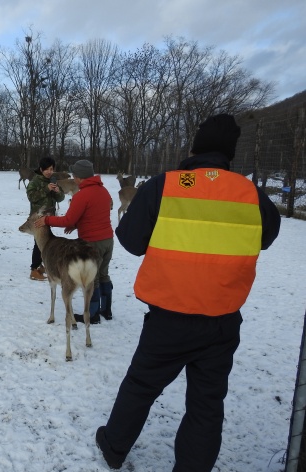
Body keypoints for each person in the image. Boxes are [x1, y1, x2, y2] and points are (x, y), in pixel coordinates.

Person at [95, 114, 281, 471]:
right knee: (207, 405)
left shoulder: (165, 185)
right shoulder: (251, 194)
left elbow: (131, 242)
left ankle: (114, 445)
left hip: (169, 318)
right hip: (222, 320)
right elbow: (266, 237)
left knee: (141, 385)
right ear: (230, 154)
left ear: (194, 147)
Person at [34, 159, 114, 323]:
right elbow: (94, 215)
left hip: (92, 242)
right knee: (104, 274)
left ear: (79, 177)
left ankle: (92, 315)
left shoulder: (81, 195)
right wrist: (77, 225)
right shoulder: (103, 191)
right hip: (108, 240)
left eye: (74, 174)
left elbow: (67, 220)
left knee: (93, 279)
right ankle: (107, 310)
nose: (72, 176)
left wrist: (47, 220)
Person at [26, 157, 65, 281]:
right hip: (38, 218)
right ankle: (34, 269)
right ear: (41, 169)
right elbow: (31, 197)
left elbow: (60, 199)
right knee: (39, 243)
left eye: (51, 169)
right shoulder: (35, 181)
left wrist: (58, 191)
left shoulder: (53, 181)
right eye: (47, 169)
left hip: (48, 217)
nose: (49, 172)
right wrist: (46, 189)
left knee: (46, 242)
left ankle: (41, 266)